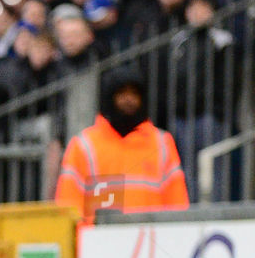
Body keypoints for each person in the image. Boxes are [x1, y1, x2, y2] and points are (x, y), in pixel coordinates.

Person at [54, 71, 189, 223]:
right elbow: (69, 202)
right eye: (122, 94)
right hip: (100, 241)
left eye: (134, 94)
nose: (129, 99)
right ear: (110, 98)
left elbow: (177, 201)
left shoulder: (162, 142)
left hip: (149, 241)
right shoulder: (84, 145)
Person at [168, 0, 238, 200]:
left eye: (203, 8)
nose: (197, 13)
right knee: (185, 171)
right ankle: (188, 213)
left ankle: (214, 215)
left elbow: (230, 80)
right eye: (193, 8)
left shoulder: (222, 41)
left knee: (214, 171)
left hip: (210, 116)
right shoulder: (179, 41)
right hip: (182, 117)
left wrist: (219, 111)